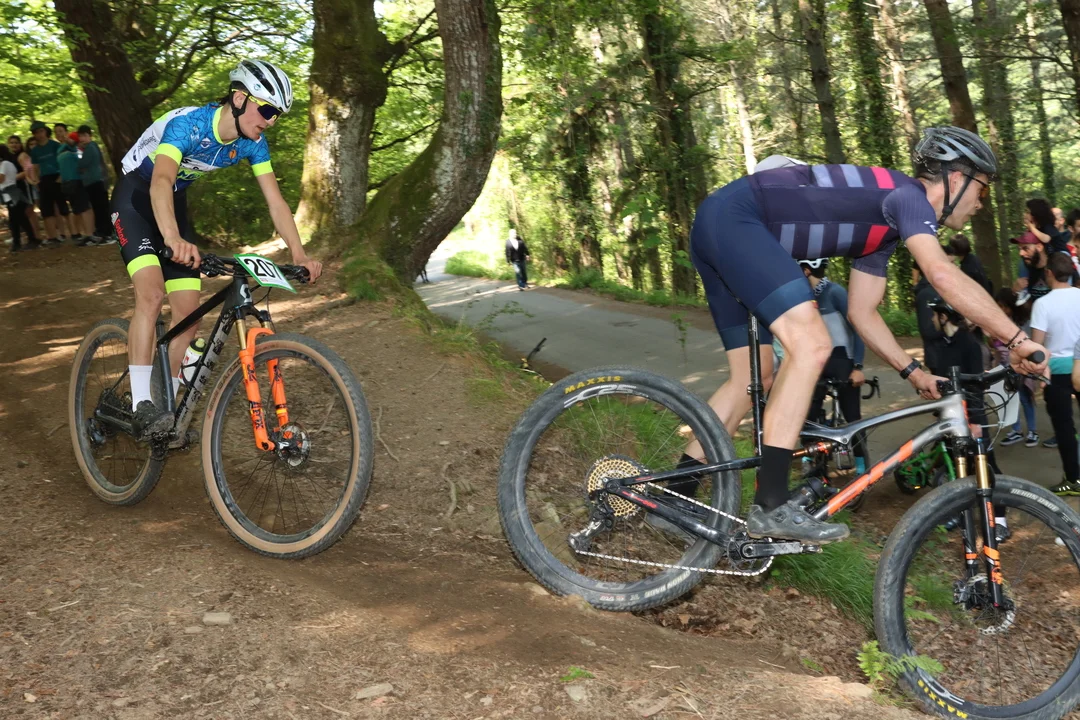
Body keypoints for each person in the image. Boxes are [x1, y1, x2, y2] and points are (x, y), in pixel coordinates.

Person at [676, 125, 1045, 544]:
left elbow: (861, 312)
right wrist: (1017, 339)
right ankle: (772, 503)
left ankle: (676, 493)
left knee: (754, 376)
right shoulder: (908, 197)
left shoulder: (884, 226)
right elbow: (942, 274)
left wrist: (913, 372)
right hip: (739, 220)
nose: (981, 203)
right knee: (811, 344)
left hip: (721, 222)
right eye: (982, 189)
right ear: (957, 179)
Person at [114, 59, 323, 439]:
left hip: (173, 204)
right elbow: (161, 179)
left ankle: (165, 409)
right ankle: (140, 403)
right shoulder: (189, 125)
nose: (271, 121)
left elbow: (276, 202)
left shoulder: (251, 143)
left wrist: (298, 254)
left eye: (277, 115)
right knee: (151, 294)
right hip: (136, 200)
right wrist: (172, 238)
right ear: (240, 99)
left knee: (189, 316)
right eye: (268, 110)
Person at [799, 258, 871, 474]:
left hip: (842, 360)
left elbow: (858, 328)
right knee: (808, 412)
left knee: (852, 416)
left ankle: (862, 465)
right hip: (816, 360)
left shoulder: (834, 292)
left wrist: (857, 366)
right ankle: (808, 457)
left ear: (806, 271)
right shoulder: (802, 297)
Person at [1030, 252, 1080, 495]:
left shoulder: (1042, 304)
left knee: (1064, 427)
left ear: (1049, 272)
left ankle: (1073, 479)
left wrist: (1038, 373)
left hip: (1056, 371)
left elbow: (1036, 346)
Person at [994, 288, 1038, 447]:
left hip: (1022, 366)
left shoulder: (1023, 322)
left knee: (1025, 398)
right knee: (1010, 398)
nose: (1001, 310)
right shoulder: (1001, 321)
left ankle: (1032, 431)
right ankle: (1016, 430)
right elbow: (996, 343)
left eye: (1003, 306)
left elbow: (1027, 343)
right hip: (1005, 366)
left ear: (1010, 305)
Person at [27, 121, 70, 244]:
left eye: (41, 131)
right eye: (36, 132)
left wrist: (61, 177)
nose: (39, 134)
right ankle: (52, 237)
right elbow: (36, 166)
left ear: (46, 131)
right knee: (47, 210)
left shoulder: (55, 145)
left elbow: (63, 161)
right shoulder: (35, 150)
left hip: (57, 177)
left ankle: (74, 233)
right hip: (44, 180)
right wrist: (36, 180)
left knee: (63, 208)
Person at [76, 125, 113, 242]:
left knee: (100, 208)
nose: (82, 138)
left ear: (89, 136)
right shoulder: (91, 147)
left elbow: (82, 164)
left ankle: (106, 232)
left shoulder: (90, 148)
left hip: (95, 181)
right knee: (99, 207)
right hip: (93, 182)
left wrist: (79, 156)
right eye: (80, 136)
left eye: (84, 135)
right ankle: (104, 232)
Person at [57, 131, 94, 244]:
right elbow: (82, 165)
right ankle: (89, 234)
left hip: (67, 183)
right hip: (76, 182)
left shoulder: (60, 152)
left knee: (77, 209)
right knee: (85, 209)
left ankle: (78, 233)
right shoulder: (72, 152)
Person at [0, 144, 38, 251]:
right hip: (9, 195)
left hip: (13, 194)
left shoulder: (5, 164)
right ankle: (17, 242)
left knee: (20, 218)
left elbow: (1, 179)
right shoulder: (5, 164)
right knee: (14, 220)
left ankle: (32, 239)